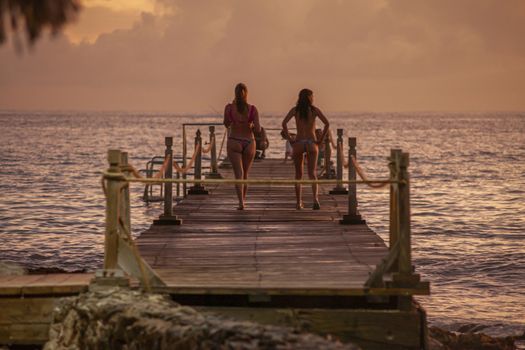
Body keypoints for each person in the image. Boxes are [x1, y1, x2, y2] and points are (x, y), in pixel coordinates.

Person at [281, 89, 329, 210]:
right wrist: (320, 140)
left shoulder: (295, 110)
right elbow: (327, 124)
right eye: (312, 96)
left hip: (299, 143)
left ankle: (298, 202)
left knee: (298, 175)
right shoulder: (314, 110)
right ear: (310, 98)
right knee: (312, 174)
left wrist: (290, 139)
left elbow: (284, 123)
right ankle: (315, 199)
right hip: (312, 142)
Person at [223, 83, 261, 210]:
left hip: (234, 141)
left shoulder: (229, 108)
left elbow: (226, 124)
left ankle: (241, 203)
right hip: (249, 141)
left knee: (238, 174)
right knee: (245, 175)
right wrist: (250, 126)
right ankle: (243, 200)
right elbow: (258, 129)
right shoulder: (252, 109)